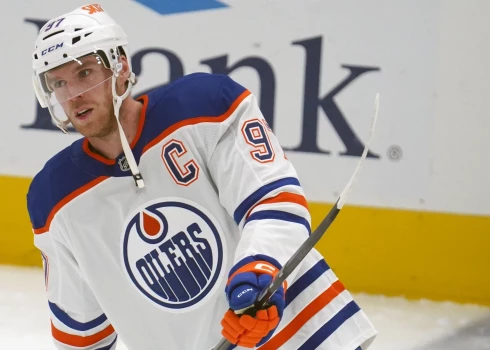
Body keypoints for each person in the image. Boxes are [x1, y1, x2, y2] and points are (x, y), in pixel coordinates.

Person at [27, 4, 377, 350]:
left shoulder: (204, 108)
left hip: (308, 339)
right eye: (59, 82)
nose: (73, 95)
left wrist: (259, 269)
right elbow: (82, 334)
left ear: (120, 66)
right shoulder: (54, 198)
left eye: (85, 73)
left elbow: (274, 200)